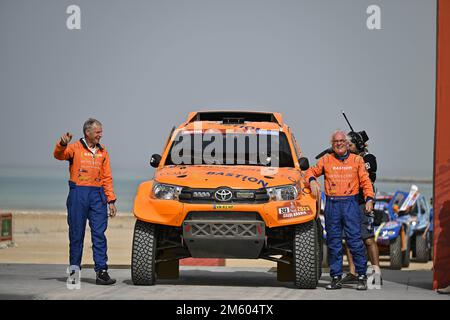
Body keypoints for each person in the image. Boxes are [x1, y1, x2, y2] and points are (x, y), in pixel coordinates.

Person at [306, 130, 374, 290]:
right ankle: (336, 278)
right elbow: (309, 171)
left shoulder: (357, 160)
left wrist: (369, 198)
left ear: (346, 143)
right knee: (334, 243)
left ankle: (362, 277)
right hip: (332, 204)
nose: (339, 144)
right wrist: (312, 181)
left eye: (342, 141)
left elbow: (366, 181)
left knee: (355, 242)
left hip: (351, 204)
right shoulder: (326, 160)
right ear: (332, 144)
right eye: (335, 142)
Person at [54, 118, 117, 285]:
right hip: (78, 194)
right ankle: (74, 273)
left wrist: (111, 200)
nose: (100, 135)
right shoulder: (74, 148)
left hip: (98, 196)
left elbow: (107, 177)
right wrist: (61, 144)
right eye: (97, 132)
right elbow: (59, 155)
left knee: (99, 234)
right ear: (87, 132)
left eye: (101, 132)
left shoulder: (103, 151)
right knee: (76, 234)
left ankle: (102, 272)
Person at [341, 135, 382, 287]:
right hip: (349, 203)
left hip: (364, 203)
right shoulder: (347, 159)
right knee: (350, 239)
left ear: (358, 145)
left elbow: (366, 170)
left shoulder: (369, 158)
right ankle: (353, 273)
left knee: (368, 238)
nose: (348, 147)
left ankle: (376, 273)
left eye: (350, 144)